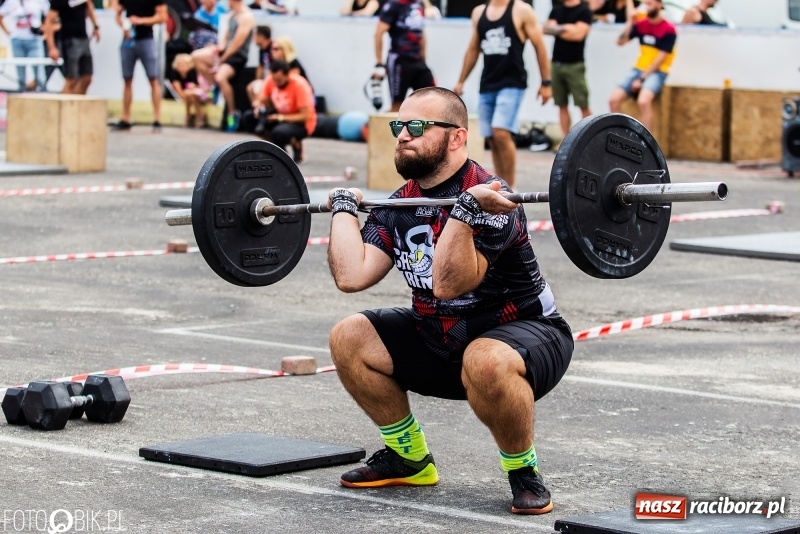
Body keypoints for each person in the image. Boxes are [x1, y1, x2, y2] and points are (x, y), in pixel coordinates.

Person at [326, 86, 573, 516]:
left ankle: (523, 470)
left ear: (457, 137)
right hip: (440, 341)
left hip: (526, 339)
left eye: (417, 126)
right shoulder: (401, 203)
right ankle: (409, 458)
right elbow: (351, 276)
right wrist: (344, 209)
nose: (404, 135)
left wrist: (465, 212)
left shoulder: (494, 197)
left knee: (485, 360)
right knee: (349, 337)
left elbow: (448, 284)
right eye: (399, 126)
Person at [453, 0, 551, 190]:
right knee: (491, 136)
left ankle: (511, 187)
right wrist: (461, 80)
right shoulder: (479, 12)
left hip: (512, 83)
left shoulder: (521, 10)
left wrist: (546, 82)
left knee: (501, 132)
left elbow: (539, 45)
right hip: (488, 83)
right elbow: (473, 49)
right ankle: (501, 185)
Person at [608, 0, 677, 134]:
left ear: (659, 4)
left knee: (643, 102)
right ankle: (620, 136)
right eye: (646, 3)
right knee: (613, 100)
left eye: (650, 3)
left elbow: (660, 59)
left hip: (658, 71)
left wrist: (641, 79)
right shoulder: (641, 24)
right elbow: (620, 42)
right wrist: (630, 22)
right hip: (638, 68)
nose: (647, 7)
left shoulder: (668, 28)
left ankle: (645, 141)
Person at [192, 0, 255, 132]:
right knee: (197, 56)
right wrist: (218, 49)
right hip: (226, 53)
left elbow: (237, 44)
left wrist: (222, 59)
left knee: (221, 77)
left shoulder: (246, 16)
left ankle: (232, 113)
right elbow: (226, 38)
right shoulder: (232, 14)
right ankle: (213, 87)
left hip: (238, 56)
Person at [112, 0, 168, 132]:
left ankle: (157, 119)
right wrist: (123, 25)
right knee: (127, 79)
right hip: (128, 40)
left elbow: (162, 17)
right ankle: (125, 117)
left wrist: (141, 21)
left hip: (146, 39)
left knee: (153, 79)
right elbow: (117, 12)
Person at [373, 0, 435, 112]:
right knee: (397, 105)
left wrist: (424, 59)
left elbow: (421, 33)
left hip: (418, 61)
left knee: (432, 100)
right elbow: (378, 34)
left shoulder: (419, 4)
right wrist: (379, 63)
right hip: (399, 61)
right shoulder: (392, 5)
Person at [251, 60, 317, 164]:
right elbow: (261, 100)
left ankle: (291, 148)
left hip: (301, 123)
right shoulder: (271, 79)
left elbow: (305, 116)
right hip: (278, 117)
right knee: (249, 119)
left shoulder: (300, 85)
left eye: (279, 80)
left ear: (287, 75)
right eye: (274, 80)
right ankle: (276, 148)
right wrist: (258, 107)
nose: (276, 83)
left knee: (279, 132)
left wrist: (279, 118)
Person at [544, 0, 593, 137]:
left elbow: (578, 36)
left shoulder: (584, 11)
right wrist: (569, 28)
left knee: (583, 104)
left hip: (575, 65)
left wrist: (557, 29)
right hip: (556, 64)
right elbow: (546, 29)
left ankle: (590, 138)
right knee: (561, 105)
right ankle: (565, 141)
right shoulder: (556, 10)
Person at [44, 0, 101, 95]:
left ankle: (78, 102)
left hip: (83, 37)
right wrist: (52, 48)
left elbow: (89, 5)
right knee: (71, 79)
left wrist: (95, 26)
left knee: (87, 78)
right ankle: (64, 103)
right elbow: (49, 22)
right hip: (68, 40)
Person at [0, 0, 49, 92]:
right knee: (20, 70)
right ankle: (21, 91)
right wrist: (8, 33)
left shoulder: (40, 1)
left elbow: (51, 15)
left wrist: (45, 31)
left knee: (39, 70)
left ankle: (42, 91)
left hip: (35, 40)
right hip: (17, 39)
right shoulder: (11, 2)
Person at [170, 53, 212, 128]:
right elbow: (179, 90)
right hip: (188, 95)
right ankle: (198, 115)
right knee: (188, 94)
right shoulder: (175, 74)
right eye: (180, 65)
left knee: (188, 94)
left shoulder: (194, 73)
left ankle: (190, 116)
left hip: (200, 94)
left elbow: (203, 86)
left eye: (183, 65)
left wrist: (193, 87)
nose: (181, 67)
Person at [246, 25, 272, 106]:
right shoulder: (262, 50)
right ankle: (257, 109)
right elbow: (261, 67)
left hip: (271, 80)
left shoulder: (273, 48)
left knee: (258, 88)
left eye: (255, 36)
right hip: (265, 79)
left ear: (261, 37)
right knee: (251, 88)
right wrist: (258, 79)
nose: (253, 39)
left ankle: (261, 109)